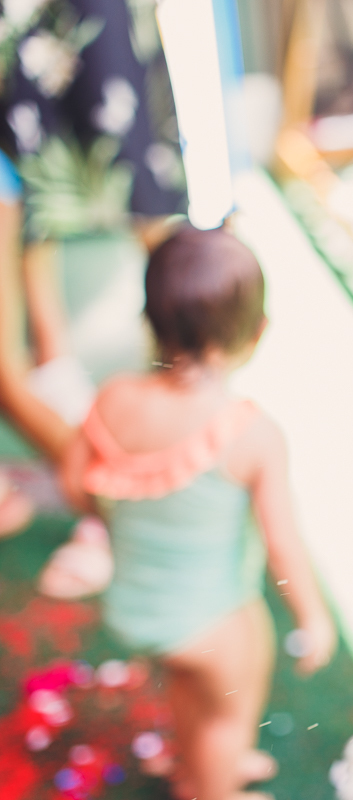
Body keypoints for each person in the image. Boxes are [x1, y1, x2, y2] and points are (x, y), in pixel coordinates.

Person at [58, 225, 336, 800]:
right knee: (225, 710)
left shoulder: (113, 397)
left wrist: (120, 519)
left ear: (149, 321)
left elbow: (75, 483)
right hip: (211, 621)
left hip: (139, 603)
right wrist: (313, 616)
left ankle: (199, 765)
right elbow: (282, 541)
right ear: (257, 332)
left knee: (188, 687)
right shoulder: (250, 433)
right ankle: (214, 785)